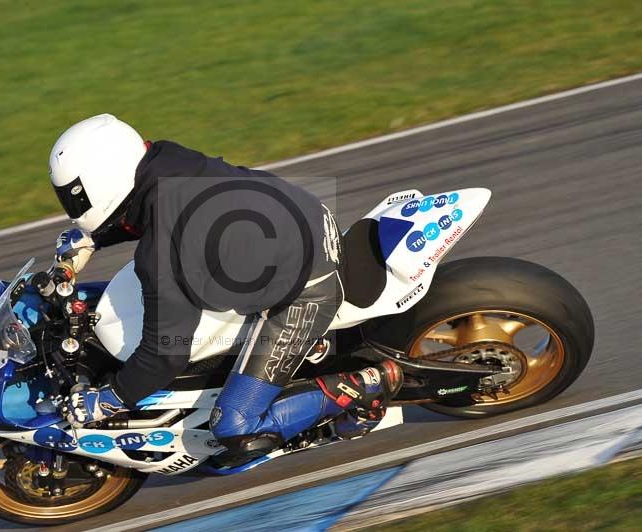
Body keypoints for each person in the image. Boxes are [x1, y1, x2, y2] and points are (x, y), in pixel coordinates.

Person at [45, 113, 401, 461]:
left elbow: (164, 356)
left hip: (310, 287)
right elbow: (145, 211)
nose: (73, 207)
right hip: (303, 217)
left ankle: (361, 386)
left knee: (234, 426)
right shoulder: (165, 158)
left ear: (103, 181)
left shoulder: (162, 256)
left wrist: (109, 399)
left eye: (75, 197)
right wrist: (93, 240)